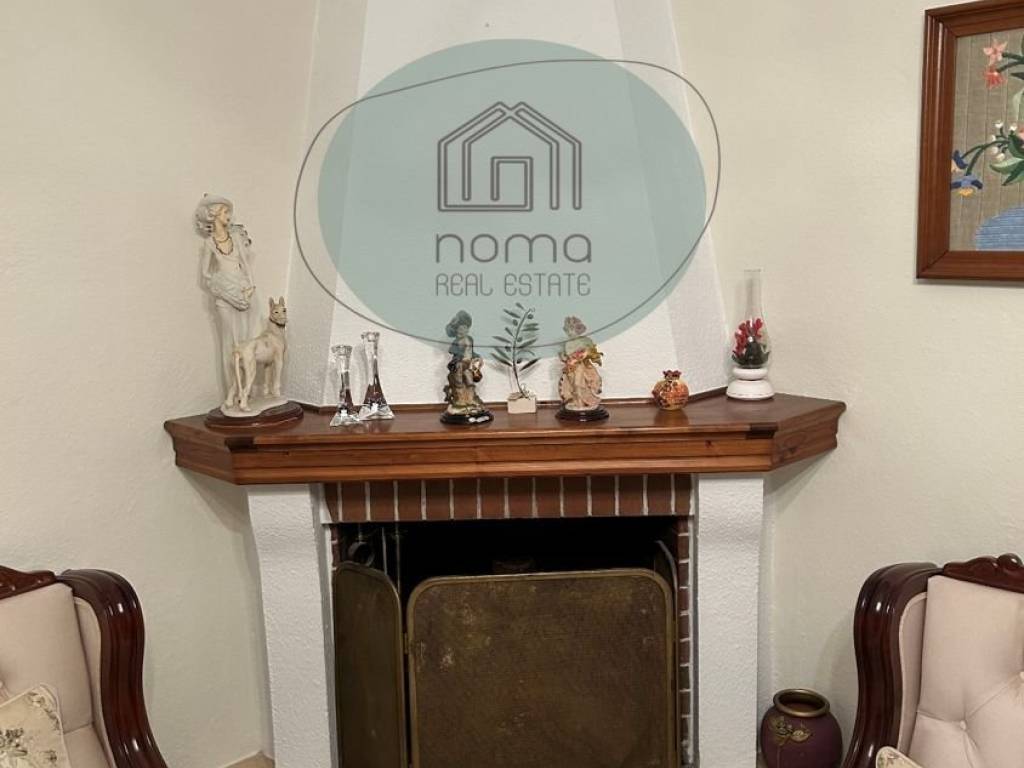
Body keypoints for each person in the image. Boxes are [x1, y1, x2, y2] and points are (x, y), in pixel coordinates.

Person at [194, 194, 259, 409]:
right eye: (223, 212)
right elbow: (206, 273)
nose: (227, 216)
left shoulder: (236, 238)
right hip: (224, 295)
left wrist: (250, 287)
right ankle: (232, 390)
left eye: (227, 211)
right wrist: (220, 286)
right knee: (228, 344)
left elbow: (245, 265)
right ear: (213, 215)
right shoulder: (209, 243)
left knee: (244, 342)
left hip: (241, 291)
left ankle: (245, 392)